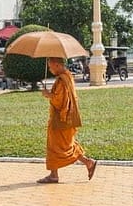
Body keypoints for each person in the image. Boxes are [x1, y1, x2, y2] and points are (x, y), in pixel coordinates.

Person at [37, 56, 97, 184]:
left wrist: (48, 95)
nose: (50, 69)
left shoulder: (62, 80)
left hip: (62, 118)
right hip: (66, 118)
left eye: (50, 66)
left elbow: (60, 101)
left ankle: (56, 174)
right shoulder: (67, 76)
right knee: (65, 144)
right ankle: (86, 163)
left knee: (58, 146)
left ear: (57, 65)